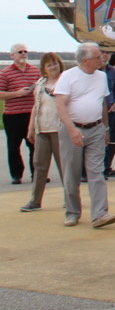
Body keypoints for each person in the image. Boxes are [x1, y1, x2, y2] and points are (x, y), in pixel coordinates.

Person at [54, 43, 115, 229]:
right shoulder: (68, 77)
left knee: (96, 172)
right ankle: (72, 212)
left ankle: (100, 214)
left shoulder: (102, 76)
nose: (102, 59)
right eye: (98, 56)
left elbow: (103, 104)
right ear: (85, 60)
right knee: (71, 174)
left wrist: (105, 129)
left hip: (96, 128)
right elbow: (61, 106)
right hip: (72, 129)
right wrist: (72, 130)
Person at [21, 53, 66, 211]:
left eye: (55, 63)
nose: (53, 67)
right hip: (43, 129)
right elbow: (36, 105)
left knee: (64, 166)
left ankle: (70, 198)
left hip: (60, 129)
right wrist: (31, 127)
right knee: (39, 165)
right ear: (44, 69)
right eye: (49, 65)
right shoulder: (40, 83)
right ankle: (35, 200)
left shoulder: (65, 81)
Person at [0, 43, 39, 184]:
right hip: (13, 115)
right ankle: (16, 175)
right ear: (12, 55)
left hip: (31, 113)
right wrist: (17, 94)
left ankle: (37, 174)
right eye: (20, 52)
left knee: (35, 145)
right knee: (14, 146)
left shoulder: (35, 71)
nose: (23, 54)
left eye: (25, 51)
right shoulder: (5, 73)